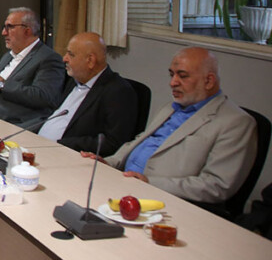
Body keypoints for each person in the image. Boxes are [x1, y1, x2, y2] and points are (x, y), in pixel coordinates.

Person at [85, 47, 257, 205]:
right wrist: (108, 163)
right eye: (172, 75)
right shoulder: (172, 107)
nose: (172, 83)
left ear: (209, 81)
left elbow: (216, 185)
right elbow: (139, 141)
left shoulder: (236, 122)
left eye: (182, 76)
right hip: (123, 184)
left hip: (164, 201)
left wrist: (149, 182)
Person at [36, 32, 137, 156]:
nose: (64, 59)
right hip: (40, 145)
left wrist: (61, 144)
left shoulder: (118, 91)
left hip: (67, 155)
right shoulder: (74, 79)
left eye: (71, 54)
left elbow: (113, 142)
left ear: (90, 61)